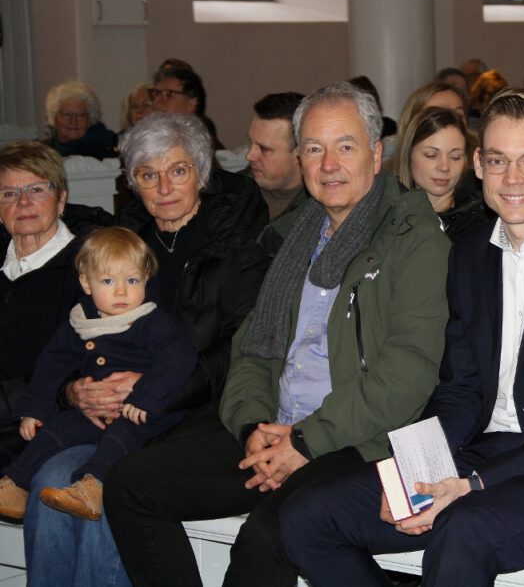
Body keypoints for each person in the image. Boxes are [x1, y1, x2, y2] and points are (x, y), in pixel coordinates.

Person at [278, 88, 524, 586]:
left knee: (461, 530)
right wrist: (414, 472)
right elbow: (458, 390)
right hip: (482, 451)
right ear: (478, 164)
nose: (512, 179)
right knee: (306, 518)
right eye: (497, 161)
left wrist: (472, 484)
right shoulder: (470, 254)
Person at [104, 83, 451, 587]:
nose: (329, 164)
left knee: (267, 538)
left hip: (357, 442)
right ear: (301, 159)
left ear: (376, 155)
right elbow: (251, 350)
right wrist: (253, 426)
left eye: (345, 146)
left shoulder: (412, 238)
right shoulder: (292, 236)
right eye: (313, 148)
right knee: (130, 484)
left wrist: (305, 442)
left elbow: (408, 373)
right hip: (275, 429)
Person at [20, 112, 269, 587]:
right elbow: (74, 333)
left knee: (114, 482)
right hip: (110, 414)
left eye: (178, 170)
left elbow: (240, 349)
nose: (165, 187)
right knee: (51, 478)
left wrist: (155, 390)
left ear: (201, 172)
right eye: (148, 175)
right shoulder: (120, 241)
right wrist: (74, 392)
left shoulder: (236, 244)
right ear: (134, 183)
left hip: (195, 412)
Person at [0, 228, 196, 522]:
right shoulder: (80, 321)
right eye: (108, 281)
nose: (121, 292)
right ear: (86, 283)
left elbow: (179, 357)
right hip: (94, 414)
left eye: (132, 281)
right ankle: (16, 486)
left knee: (121, 435)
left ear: (146, 280)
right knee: (57, 428)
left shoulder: (151, 321)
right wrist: (34, 410)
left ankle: (93, 488)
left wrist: (145, 398)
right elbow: (51, 364)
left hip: (146, 414)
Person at [0, 141, 114, 465]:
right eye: (9, 193)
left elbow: (87, 366)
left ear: (61, 199)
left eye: (37, 189)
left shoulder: (91, 267)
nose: (23, 202)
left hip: (48, 425)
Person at [397, 107, 489, 240]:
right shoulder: (384, 212)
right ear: (409, 155)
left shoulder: (482, 222)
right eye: (431, 155)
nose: (444, 167)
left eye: (455, 157)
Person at [243, 92, 309, 254]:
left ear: (300, 153)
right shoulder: (227, 194)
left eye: (264, 149)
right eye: (251, 142)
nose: (250, 156)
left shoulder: (323, 212)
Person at [42, 81, 118, 160]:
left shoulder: (104, 149)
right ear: (54, 117)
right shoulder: (41, 152)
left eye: (81, 115)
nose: (73, 121)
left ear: (89, 119)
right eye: (67, 115)